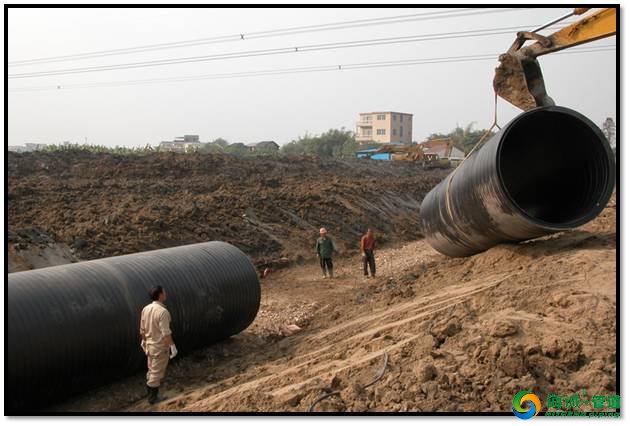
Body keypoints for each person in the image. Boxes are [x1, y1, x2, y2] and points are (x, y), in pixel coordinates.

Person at [139, 285, 177, 404]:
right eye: (164, 292)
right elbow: (165, 333)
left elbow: (142, 329)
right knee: (156, 373)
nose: (165, 294)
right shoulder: (163, 312)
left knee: (151, 370)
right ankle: (153, 398)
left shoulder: (146, 309)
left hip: (150, 346)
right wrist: (172, 346)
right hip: (159, 347)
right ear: (160, 295)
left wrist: (144, 341)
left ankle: (151, 396)